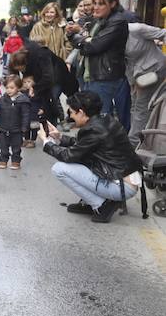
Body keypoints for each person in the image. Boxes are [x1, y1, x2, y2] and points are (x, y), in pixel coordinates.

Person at [38, 91, 142, 223]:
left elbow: (68, 156)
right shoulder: (105, 120)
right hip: (125, 181)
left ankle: (100, 205)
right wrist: (59, 138)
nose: (70, 116)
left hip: (122, 187)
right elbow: (83, 146)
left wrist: (47, 143)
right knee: (81, 160)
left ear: (81, 112)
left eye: (71, 112)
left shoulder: (93, 130)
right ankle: (90, 203)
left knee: (59, 169)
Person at [65, 0, 129, 119]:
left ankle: (112, 139)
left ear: (113, 3)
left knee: (101, 117)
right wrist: (78, 37)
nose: (96, 7)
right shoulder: (98, 19)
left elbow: (94, 46)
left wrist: (82, 37)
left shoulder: (117, 20)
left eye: (101, 3)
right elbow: (81, 43)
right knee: (95, 116)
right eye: (94, 3)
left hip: (105, 76)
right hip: (91, 74)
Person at [124, 23, 166, 145]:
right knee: (135, 107)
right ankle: (140, 139)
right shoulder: (109, 35)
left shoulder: (136, 29)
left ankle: (134, 143)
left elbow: (163, 33)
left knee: (141, 108)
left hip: (153, 70)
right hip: (134, 76)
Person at [0, 76, 31, 169]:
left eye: (12, 88)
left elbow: (26, 115)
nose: (9, 90)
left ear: (18, 88)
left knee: (16, 147)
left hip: (17, 129)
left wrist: (24, 127)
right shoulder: (3, 99)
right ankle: (3, 160)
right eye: (7, 88)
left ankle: (15, 161)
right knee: (3, 146)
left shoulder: (23, 100)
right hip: (4, 128)